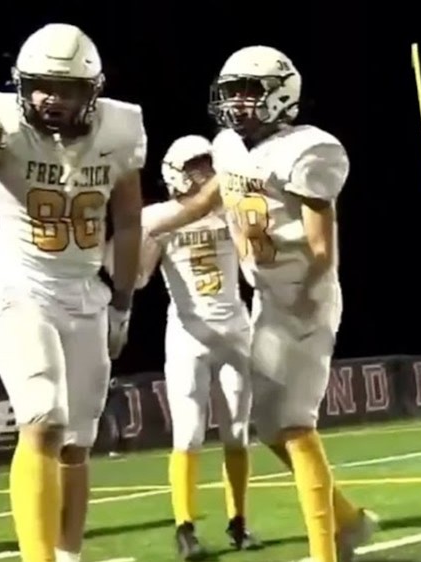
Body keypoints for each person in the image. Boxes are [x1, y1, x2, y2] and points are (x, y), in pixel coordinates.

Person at [142, 46, 378, 562]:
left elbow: (321, 247)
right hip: (267, 300)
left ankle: (328, 550)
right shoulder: (228, 144)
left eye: (250, 92)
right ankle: (348, 520)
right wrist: (153, 221)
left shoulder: (310, 149)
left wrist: (304, 295)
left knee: (293, 424)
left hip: (304, 301)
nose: (238, 104)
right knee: (270, 428)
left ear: (282, 94)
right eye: (231, 93)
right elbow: (212, 199)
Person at [0, 22, 146, 562]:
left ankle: (69, 555)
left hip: (86, 294)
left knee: (77, 444)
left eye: (68, 87)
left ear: (93, 90)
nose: (51, 98)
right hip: (21, 284)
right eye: (40, 85)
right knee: (42, 418)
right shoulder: (1, 118)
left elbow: (127, 223)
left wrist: (122, 304)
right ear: (20, 84)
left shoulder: (121, 128)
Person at [131, 135, 260, 559]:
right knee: (187, 434)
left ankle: (239, 521)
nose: (205, 174)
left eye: (208, 165)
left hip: (236, 331)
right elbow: (137, 278)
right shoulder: (159, 217)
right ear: (174, 172)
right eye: (195, 166)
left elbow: (257, 260)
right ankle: (184, 527)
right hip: (188, 336)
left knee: (237, 433)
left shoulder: (232, 211)